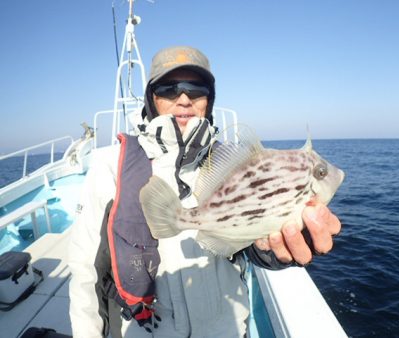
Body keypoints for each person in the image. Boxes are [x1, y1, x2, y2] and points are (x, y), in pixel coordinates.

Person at [68, 46, 342, 338]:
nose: (184, 98)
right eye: (169, 88)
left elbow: (250, 239)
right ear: (152, 98)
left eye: (196, 89)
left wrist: (276, 252)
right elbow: (87, 274)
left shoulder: (228, 160)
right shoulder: (111, 165)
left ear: (209, 100)